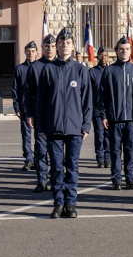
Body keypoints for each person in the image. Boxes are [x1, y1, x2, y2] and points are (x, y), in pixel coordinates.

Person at [32, 28, 90, 219]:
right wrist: (41, 126)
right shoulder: (48, 70)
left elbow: (87, 100)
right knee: (56, 167)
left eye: (68, 42)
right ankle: (58, 203)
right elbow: (40, 101)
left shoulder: (81, 70)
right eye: (61, 42)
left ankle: (71, 203)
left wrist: (86, 125)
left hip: (74, 128)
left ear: (73, 46)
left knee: (72, 166)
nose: (64, 45)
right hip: (53, 127)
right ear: (56, 46)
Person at [98, 36, 133, 191]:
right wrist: (103, 115)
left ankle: (130, 178)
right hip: (114, 118)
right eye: (121, 49)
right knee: (115, 151)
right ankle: (116, 179)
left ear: (131, 51)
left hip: (131, 120)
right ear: (116, 51)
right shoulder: (109, 71)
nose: (124, 52)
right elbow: (102, 96)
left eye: (127, 49)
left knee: (130, 150)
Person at [24, 34, 57, 193]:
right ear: (42, 48)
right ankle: (42, 180)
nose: (49, 49)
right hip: (40, 115)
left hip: (57, 116)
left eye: (52, 46)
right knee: (41, 149)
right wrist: (29, 113)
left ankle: (55, 179)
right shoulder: (34, 67)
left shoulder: (60, 66)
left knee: (55, 151)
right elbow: (28, 93)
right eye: (46, 46)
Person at [12, 41, 38, 171]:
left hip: (38, 107)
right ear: (25, 52)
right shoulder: (20, 69)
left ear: (37, 52)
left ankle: (39, 159)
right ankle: (29, 159)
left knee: (40, 135)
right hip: (24, 107)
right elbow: (15, 90)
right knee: (26, 136)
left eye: (33, 51)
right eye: (28, 51)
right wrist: (16, 107)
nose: (30, 53)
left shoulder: (42, 67)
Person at [88, 49, 110, 168]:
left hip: (110, 110)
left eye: (106, 55)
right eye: (101, 56)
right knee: (99, 135)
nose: (103, 57)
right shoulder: (92, 72)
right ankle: (100, 158)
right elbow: (88, 92)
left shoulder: (112, 70)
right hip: (96, 109)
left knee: (108, 135)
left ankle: (108, 158)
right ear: (97, 57)